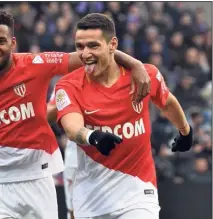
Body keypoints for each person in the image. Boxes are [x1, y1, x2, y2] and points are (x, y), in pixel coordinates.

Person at [0, 9, 151, 219]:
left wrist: (134, 64)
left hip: (39, 178)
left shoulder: (36, 65)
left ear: (12, 43)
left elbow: (89, 55)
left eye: (0, 41)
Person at [55, 13, 193, 219]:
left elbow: (168, 102)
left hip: (138, 192)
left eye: (93, 46)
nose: (85, 54)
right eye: (79, 47)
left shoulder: (145, 76)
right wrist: (92, 137)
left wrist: (185, 131)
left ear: (113, 45)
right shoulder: (68, 86)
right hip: (91, 198)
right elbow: (72, 128)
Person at [47, 91, 77, 219]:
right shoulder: (68, 83)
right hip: (77, 158)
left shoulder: (128, 75)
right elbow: (48, 112)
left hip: (114, 161)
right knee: (74, 211)